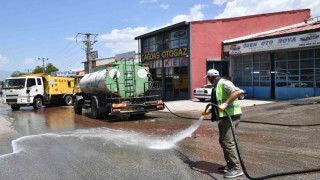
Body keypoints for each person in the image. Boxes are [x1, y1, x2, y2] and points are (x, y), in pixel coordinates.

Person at [202, 69, 243, 179]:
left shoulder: (224, 82)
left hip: (231, 116)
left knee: (228, 142)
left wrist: (225, 104)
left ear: (211, 76)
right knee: (223, 141)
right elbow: (217, 102)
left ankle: (236, 168)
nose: (208, 80)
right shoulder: (216, 86)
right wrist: (210, 111)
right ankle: (230, 165)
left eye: (208, 77)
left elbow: (237, 92)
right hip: (223, 117)